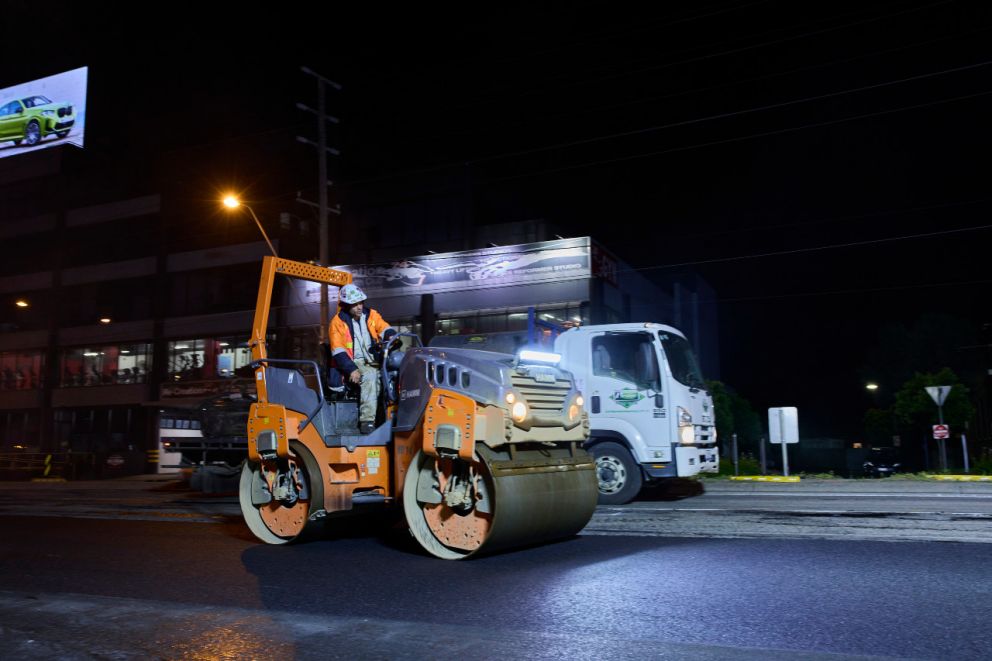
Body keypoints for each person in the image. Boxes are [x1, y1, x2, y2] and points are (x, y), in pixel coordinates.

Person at [329, 284, 396, 434]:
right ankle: (367, 422)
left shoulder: (371, 315)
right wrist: (351, 369)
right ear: (345, 305)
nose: (359, 307)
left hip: (374, 360)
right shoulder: (337, 322)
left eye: (361, 302)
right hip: (354, 362)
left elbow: (383, 327)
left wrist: (391, 335)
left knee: (392, 375)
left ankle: (387, 418)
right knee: (371, 376)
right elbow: (338, 350)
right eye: (355, 304)